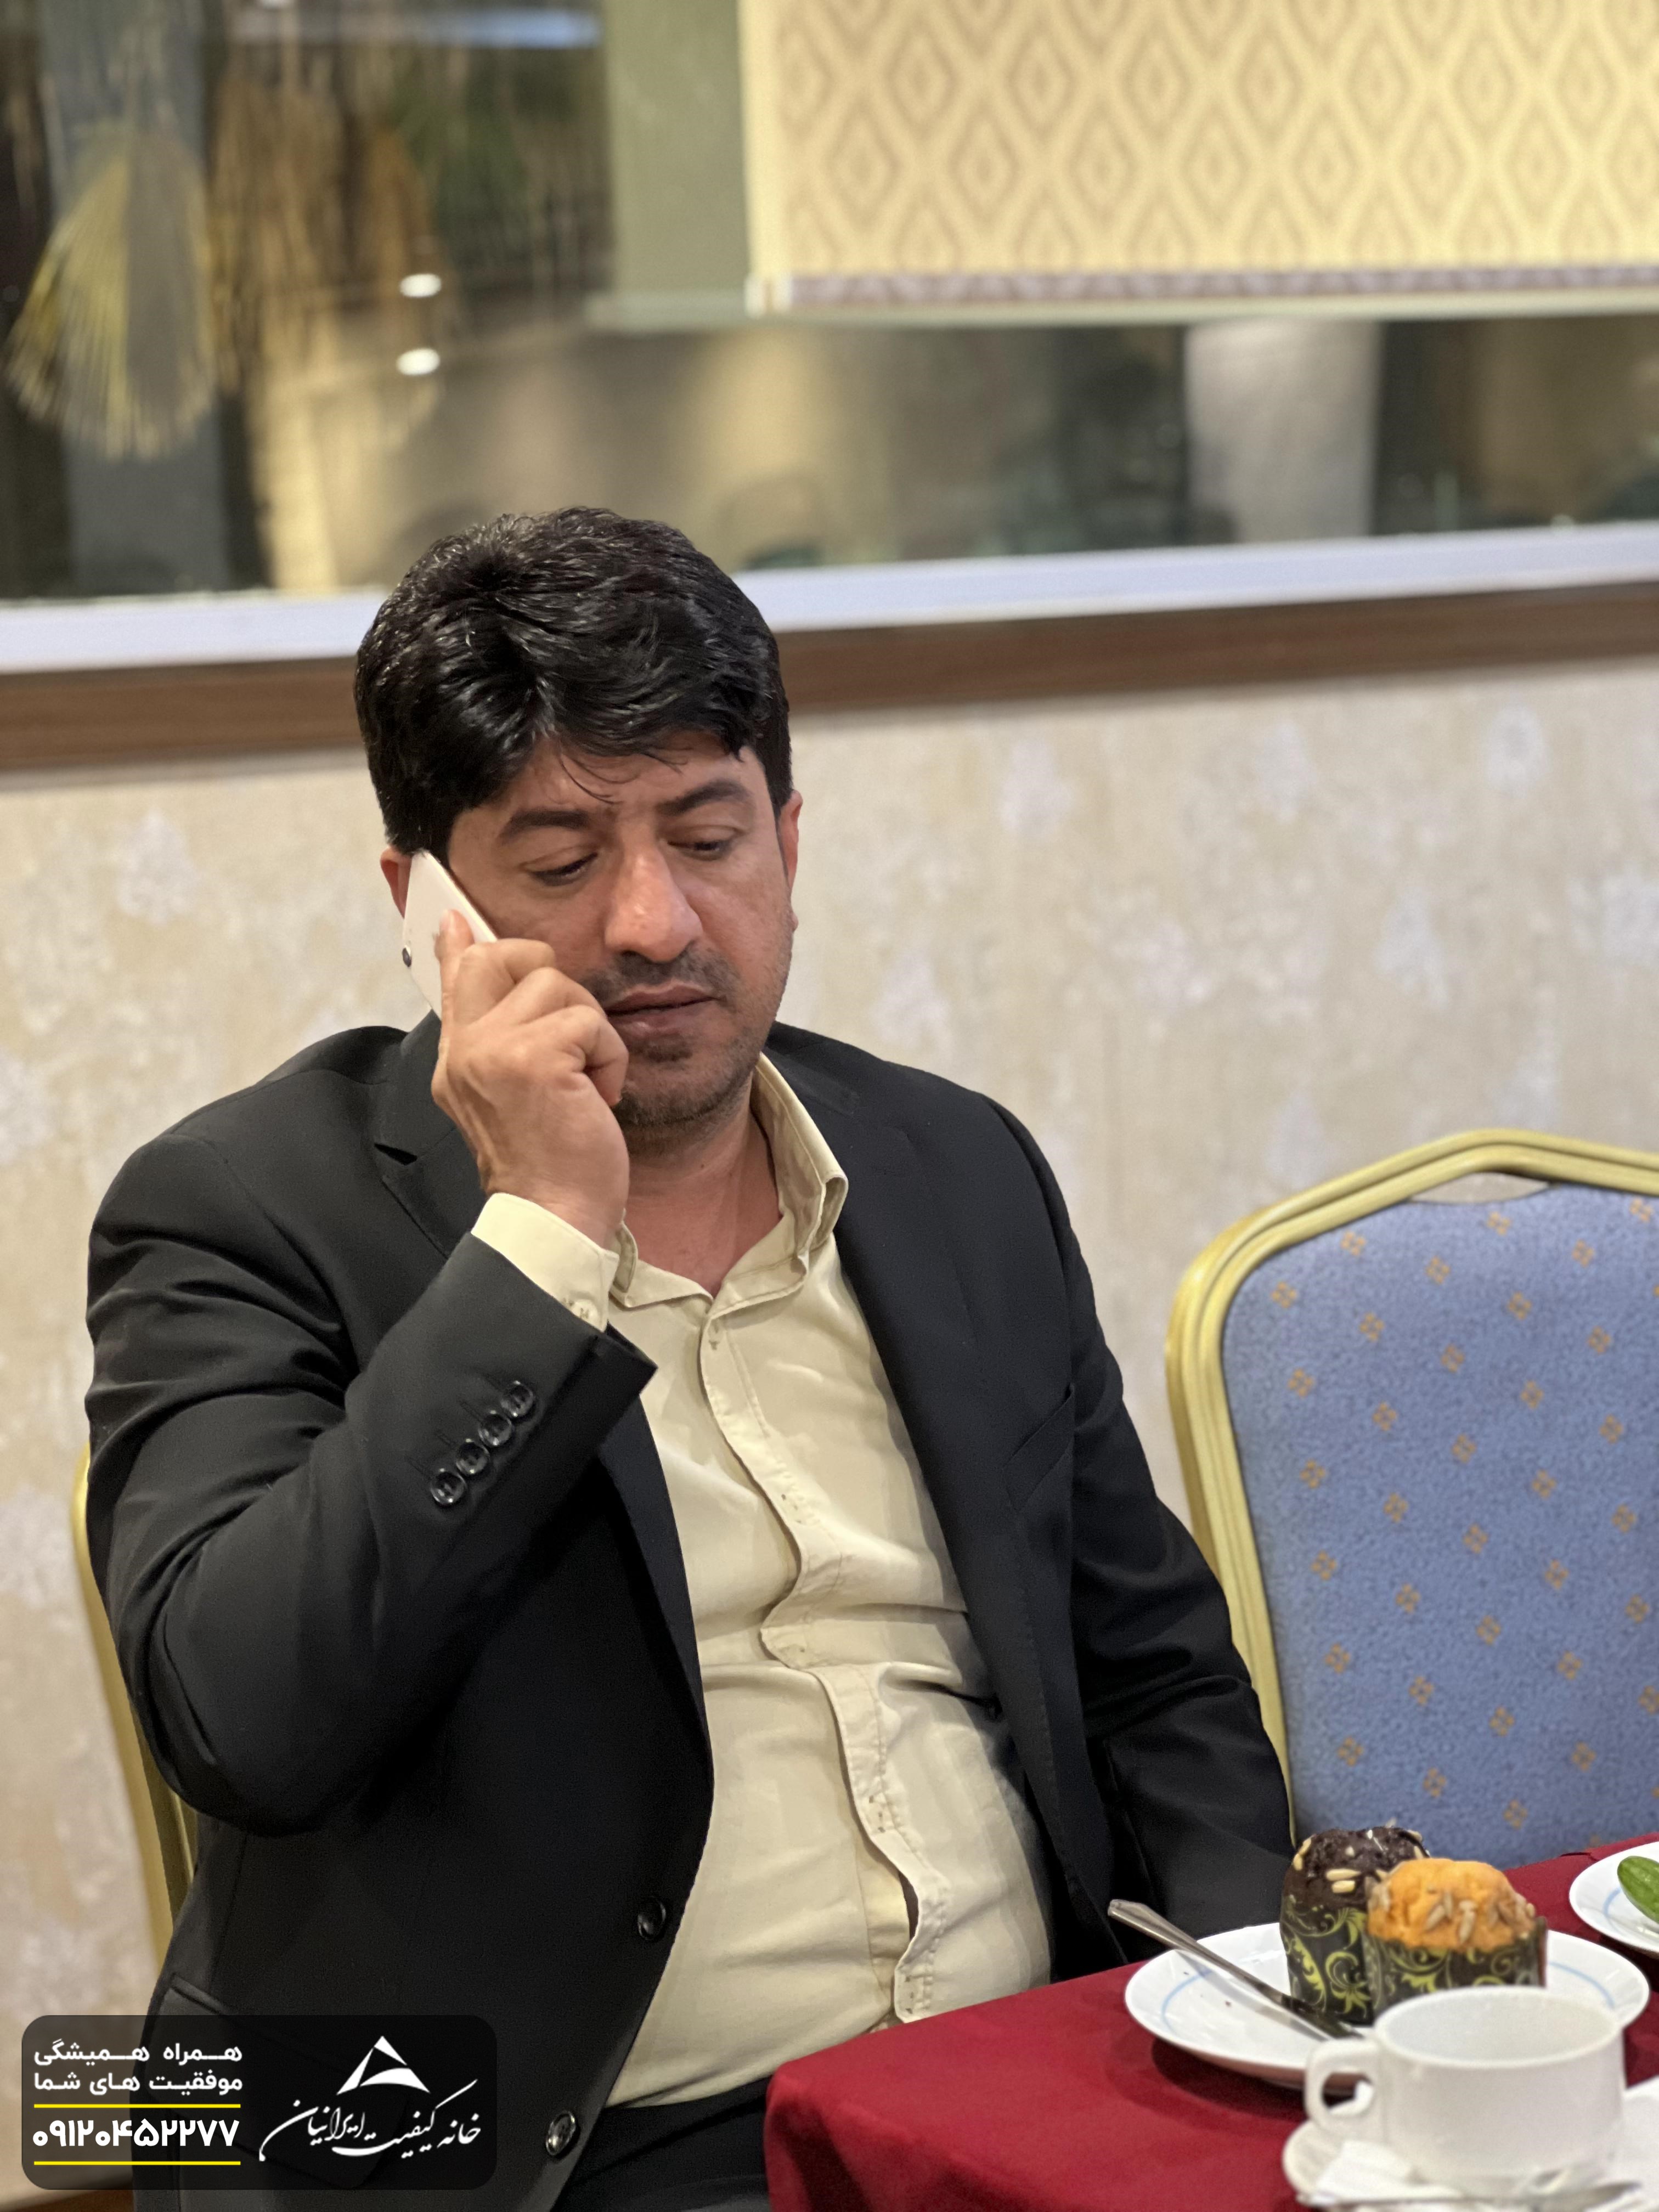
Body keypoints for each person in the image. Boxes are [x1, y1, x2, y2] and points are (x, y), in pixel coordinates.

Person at [86, 507, 1291, 2212]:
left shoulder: (955, 1167)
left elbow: (1153, 1676)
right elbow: (245, 1721)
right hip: (550, 2152)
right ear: (426, 908)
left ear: (787, 844)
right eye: (559, 861)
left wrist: (1251, 2031)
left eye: (709, 838)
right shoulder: (239, 1207)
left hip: (1010, 2097)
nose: (654, 923)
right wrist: (539, 1242)